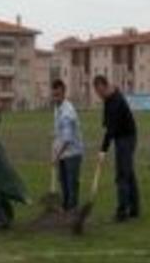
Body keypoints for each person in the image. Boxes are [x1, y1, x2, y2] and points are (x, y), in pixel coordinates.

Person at [93, 75, 139, 222]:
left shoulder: (116, 101)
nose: (98, 94)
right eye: (96, 92)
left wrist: (102, 150)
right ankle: (135, 209)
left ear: (105, 86)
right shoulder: (108, 99)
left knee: (122, 175)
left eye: (99, 90)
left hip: (126, 137)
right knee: (128, 173)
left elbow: (110, 130)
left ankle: (122, 212)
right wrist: (103, 148)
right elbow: (107, 125)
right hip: (121, 136)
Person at [51, 79, 84, 212]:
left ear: (64, 92)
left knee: (71, 185)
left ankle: (73, 212)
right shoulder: (57, 108)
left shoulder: (67, 112)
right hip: (63, 152)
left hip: (73, 153)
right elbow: (60, 131)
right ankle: (65, 210)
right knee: (63, 183)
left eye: (58, 95)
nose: (56, 98)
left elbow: (67, 139)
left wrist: (56, 156)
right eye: (54, 95)